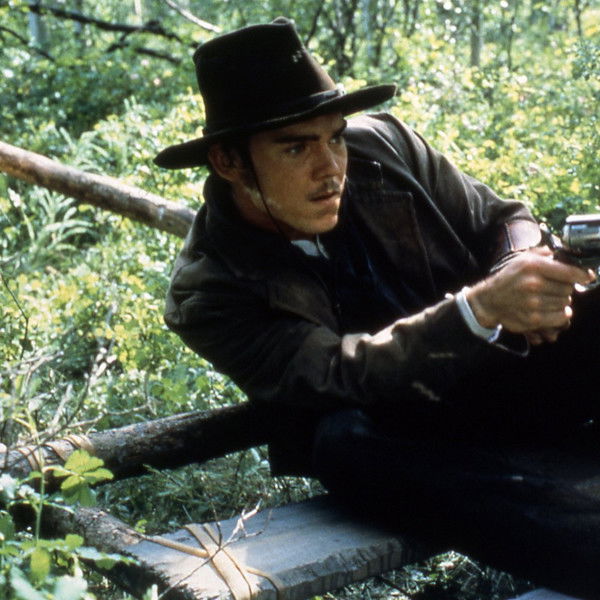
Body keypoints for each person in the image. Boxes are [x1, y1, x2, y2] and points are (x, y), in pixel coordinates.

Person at [154, 17, 600, 598]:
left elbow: (502, 217)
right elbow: (339, 375)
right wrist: (481, 310)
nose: (329, 167)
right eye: (296, 147)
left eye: (334, 137)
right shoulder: (208, 291)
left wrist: (523, 273)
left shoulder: (383, 146)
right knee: (344, 443)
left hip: (506, 378)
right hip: (413, 442)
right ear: (229, 163)